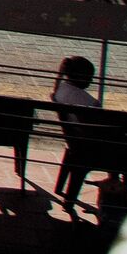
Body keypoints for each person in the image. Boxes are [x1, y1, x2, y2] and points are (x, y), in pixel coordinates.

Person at [50, 57, 107, 214]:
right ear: (81, 77)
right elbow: (97, 129)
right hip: (87, 148)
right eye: (90, 77)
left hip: (74, 142)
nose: (91, 81)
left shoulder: (60, 89)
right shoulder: (89, 102)